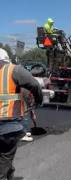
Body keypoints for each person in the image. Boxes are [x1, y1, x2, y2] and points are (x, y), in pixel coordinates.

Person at [0, 48, 43, 180]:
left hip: (7, 125)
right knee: (5, 156)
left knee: (5, 157)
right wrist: (38, 100)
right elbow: (35, 85)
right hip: (8, 123)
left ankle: (8, 175)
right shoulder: (14, 70)